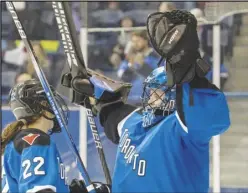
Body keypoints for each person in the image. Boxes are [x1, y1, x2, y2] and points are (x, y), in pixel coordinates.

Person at [70, 10, 230, 192]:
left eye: (158, 91)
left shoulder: (181, 129)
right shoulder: (135, 121)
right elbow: (113, 114)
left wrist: (189, 67)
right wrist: (95, 93)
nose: (152, 96)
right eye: (151, 90)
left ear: (173, 96)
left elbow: (209, 115)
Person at [1, 79, 108, 193]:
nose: (55, 108)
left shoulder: (21, 140)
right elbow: (38, 190)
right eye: (51, 102)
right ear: (43, 106)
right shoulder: (34, 140)